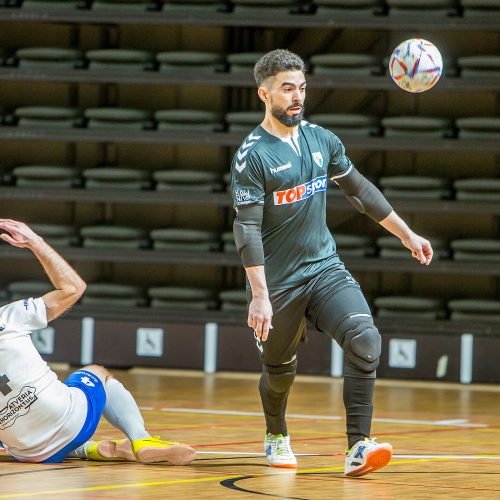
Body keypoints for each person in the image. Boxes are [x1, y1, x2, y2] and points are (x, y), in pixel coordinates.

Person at [230, 49, 433, 477]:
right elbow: (245, 229)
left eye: (302, 87)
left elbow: (361, 192)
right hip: (277, 284)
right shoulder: (252, 156)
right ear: (264, 94)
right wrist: (260, 297)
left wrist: (408, 234)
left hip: (324, 269)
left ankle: (358, 445)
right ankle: (276, 433)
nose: (298, 96)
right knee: (280, 372)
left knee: (365, 338)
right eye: (288, 88)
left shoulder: (323, 140)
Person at [0, 218, 196, 465]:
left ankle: (90, 449)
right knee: (95, 372)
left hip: (30, 453)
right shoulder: (8, 318)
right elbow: (73, 288)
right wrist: (36, 243)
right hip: (70, 421)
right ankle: (141, 438)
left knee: (15, 434)